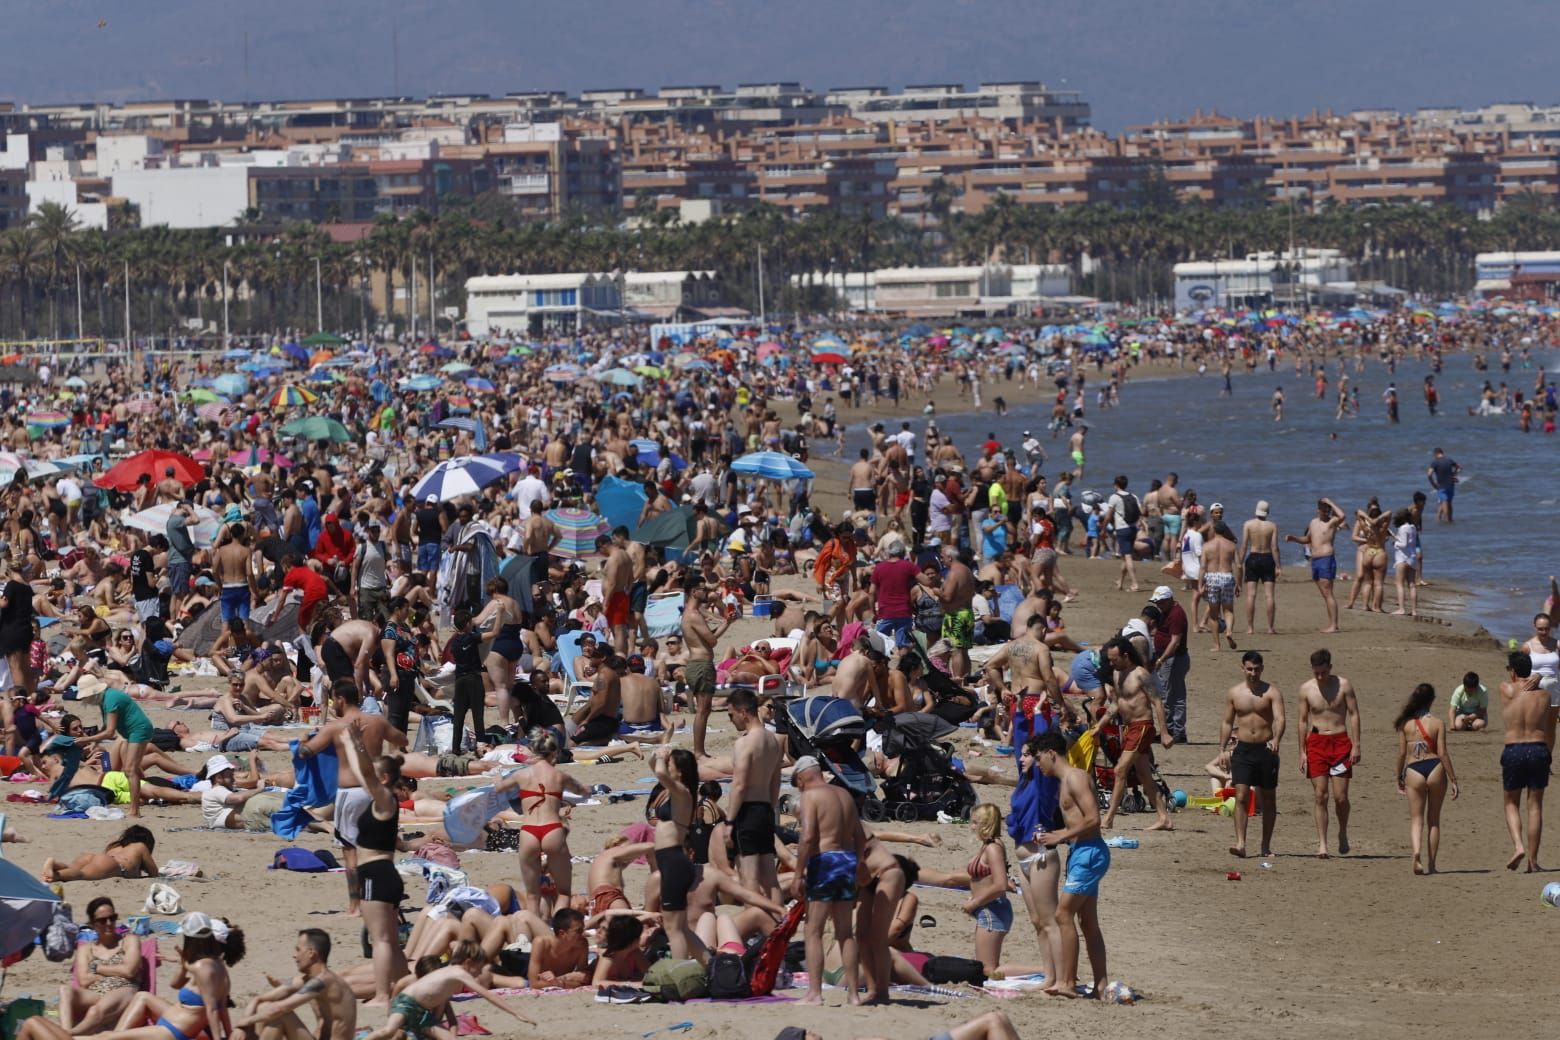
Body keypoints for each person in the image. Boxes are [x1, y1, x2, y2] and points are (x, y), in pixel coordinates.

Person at [1033, 729, 1108, 998]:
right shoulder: (1064, 782)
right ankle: (1100, 985)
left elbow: (1093, 819)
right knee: (1087, 922)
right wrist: (1055, 836)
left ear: (1052, 754)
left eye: (1039, 758)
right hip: (1081, 851)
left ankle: (1067, 983)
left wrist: (1060, 835)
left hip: (1089, 853)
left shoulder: (1075, 778)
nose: (1038, 764)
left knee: (1063, 915)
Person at [340, 722, 410, 1005]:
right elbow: (362, 773)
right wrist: (348, 744)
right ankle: (407, 986)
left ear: (383, 778)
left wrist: (358, 743)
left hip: (376, 874)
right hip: (385, 874)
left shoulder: (384, 798)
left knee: (379, 940)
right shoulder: (381, 798)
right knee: (390, 940)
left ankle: (382, 995)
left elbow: (366, 773)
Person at [791, 754, 867, 1006]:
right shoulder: (844, 794)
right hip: (846, 861)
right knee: (845, 932)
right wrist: (858, 865)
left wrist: (798, 872)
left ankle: (814, 993)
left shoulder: (810, 796)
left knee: (813, 930)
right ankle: (854, 994)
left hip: (824, 863)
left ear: (802, 777)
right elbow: (860, 835)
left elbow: (809, 836)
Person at [361, 944, 532, 1040]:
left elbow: (449, 1014)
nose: (479, 974)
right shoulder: (458, 972)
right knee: (388, 1031)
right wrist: (516, 1013)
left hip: (421, 1012)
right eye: (478, 969)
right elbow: (487, 995)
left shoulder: (451, 978)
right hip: (406, 1003)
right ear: (468, 962)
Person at [1099, 637, 1173, 831]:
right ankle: (1164, 817)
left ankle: (1108, 819)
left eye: (1114, 659)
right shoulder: (1116, 674)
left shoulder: (1141, 674)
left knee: (1119, 770)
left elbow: (1157, 702)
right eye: (1109, 659)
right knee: (1144, 775)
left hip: (1142, 726)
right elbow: (1116, 703)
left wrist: (1164, 733)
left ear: (1125, 656)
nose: (1111, 663)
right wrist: (1100, 725)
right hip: (1128, 727)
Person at [1295, 648, 1361, 859]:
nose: (1320, 677)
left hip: (1340, 744)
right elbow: (1303, 721)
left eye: (1323, 672)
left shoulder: (1344, 685)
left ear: (1330, 667)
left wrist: (1357, 745)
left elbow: (1354, 715)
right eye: (1316, 673)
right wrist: (1302, 751)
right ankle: (1322, 844)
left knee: (1341, 797)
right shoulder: (1306, 689)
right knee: (1320, 795)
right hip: (1316, 743)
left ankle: (1342, 832)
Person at [231, 928, 357, 1040]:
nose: (294, 956)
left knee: (280, 1015)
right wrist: (241, 1028)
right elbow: (260, 999)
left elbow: (279, 1009)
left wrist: (244, 1022)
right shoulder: (308, 980)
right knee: (266, 1010)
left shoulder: (324, 980)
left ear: (311, 953)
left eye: (298, 950)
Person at [1220, 650, 1285, 858]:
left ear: (1262, 669)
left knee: (1268, 798)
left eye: (1257, 669)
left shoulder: (1272, 692)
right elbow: (1227, 722)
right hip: (1244, 749)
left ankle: (1265, 846)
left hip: (1266, 749)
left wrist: (1277, 739)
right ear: (1243, 668)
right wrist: (1222, 749)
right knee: (1241, 795)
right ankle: (1240, 843)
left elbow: (1280, 719)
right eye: (1249, 669)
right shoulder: (1234, 693)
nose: (1253, 673)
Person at [1499, 652, 1556, 873]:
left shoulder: (1506, 689)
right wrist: (1540, 676)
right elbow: (1550, 725)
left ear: (1512, 670)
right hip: (1538, 748)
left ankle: (1518, 846)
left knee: (1511, 802)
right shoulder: (1545, 696)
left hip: (1514, 748)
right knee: (1535, 806)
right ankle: (1532, 861)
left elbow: (1513, 684)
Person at [1393, 683, 1458, 876]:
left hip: (1414, 769)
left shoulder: (1406, 724)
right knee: (1434, 820)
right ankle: (1432, 865)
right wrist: (1453, 779)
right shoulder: (1438, 723)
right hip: (1435, 767)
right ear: (1431, 701)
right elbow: (1443, 754)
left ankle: (1416, 852)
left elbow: (1402, 754)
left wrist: (1398, 777)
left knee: (1416, 819)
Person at [727, 688, 782, 900]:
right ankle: (778, 923)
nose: (731, 720)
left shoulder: (745, 742)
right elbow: (775, 781)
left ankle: (758, 924)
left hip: (747, 811)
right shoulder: (773, 741)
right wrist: (770, 807)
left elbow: (739, 784)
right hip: (766, 808)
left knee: (748, 876)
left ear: (743, 712)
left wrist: (730, 821)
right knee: (770, 875)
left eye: (731, 714)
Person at [60, 896, 143, 1032]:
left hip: (123, 989)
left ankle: (68, 1035)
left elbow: (129, 971)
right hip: (96, 993)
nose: (109, 923)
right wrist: (115, 971)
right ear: (92, 924)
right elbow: (83, 980)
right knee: (65, 990)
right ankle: (65, 1031)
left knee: (94, 1011)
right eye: (103, 920)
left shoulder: (129, 940)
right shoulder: (85, 948)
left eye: (113, 918)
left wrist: (96, 968)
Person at [76, 684, 153, 818]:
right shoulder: (104, 699)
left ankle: (135, 810)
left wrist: (87, 739)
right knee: (134, 768)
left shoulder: (110, 699)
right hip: (130, 732)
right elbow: (107, 725)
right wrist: (95, 742)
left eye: (86, 697)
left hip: (138, 730)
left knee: (130, 769)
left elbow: (110, 732)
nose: (85, 701)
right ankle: (147, 795)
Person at [683, 581, 734, 759]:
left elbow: (708, 639)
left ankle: (699, 751)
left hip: (698, 664)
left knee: (703, 710)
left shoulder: (690, 614)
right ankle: (699, 751)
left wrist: (727, 622)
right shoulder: (694, 615)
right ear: (693, 591)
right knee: (703, 710)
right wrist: (726, 623)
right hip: (700, 666)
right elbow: (712, 641)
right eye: (703, 589)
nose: (707, 592)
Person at [963, 803, 1012, 974]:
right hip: (987, 910)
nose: (972, 827)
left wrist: (975, 902)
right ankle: (1051, 970)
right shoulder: (988, 845)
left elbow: (1000, 884)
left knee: (988, 970)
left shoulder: (993, 848)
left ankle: (1048, 970)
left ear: (986, 824)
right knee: (985, 967)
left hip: (992, 911)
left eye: (976, 822)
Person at [1284, 498, 1344, 634]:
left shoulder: (1332, 521)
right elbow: (1308, 539)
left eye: (1328, 510)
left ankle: (1333, 625)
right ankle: (1333, 623)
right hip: (1315, 560)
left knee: (1328, 593)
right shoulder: (1313, 522)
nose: (1326, 513)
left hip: (1326, 558)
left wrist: (1331, 502)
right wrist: (1294, 538)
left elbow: (1342, 516)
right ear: (1318, 510)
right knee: (1325, 594)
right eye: (1323, 510)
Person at [1146, 585, 1190, 743]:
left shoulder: (1176, 614)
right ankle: (1171, 729)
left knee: (1174, 696)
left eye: (1161, 602)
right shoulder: (1167, 611)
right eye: (1157, 603)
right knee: (1168, 695)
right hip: (1169, 659)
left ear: (1170, 599)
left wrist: (1161, 659)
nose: (1159, 605)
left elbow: (1175, 642)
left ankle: (1177, 731)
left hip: (1174, 659)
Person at [1237, 500, 1279, 636]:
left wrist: (1240, 561)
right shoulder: (1272, 526)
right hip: (1267, 558)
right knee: (1269, 596)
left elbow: (1244, 545)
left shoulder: (1248, 524)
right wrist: (1278, 565)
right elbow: (1274, 547)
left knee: (1251, 595)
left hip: (1253, 558)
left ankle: (1250, 628)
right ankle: (1270, 628)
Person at [1427, 448, 1460, 523]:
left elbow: (1429, 474)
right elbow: (1459, 468)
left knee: (1444, 502)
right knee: (1449, 503)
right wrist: (1454, 474)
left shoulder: (1435, 462)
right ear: (1442, 452)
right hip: (1451, 485)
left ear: (1435, 454)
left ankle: (1447, 520)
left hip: (1441, 486)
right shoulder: (1449, 460)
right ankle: (1450, 519)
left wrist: (1433, 484)